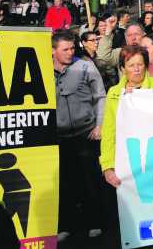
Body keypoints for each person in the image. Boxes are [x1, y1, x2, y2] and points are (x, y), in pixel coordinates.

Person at [99, 45, 153, 249]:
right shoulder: (113, 93)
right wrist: (107, 166)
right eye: (131, 65)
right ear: (122, 68)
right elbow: (109, 133)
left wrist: (138, 101)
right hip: (126, 167)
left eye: (140, 64)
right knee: (131, 226)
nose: (137, 69)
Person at [52, 30, 105, 242]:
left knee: (90, 182)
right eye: (65, 49)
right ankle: (67, 225)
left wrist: (99, 125)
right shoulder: (42, 69)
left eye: (72, 48)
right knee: (64, 185)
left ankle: (96, 222)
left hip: (86, 134)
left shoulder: (85, 66)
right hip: (59, 138)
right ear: (53, 50)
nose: (70, 52)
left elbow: (100, 96)